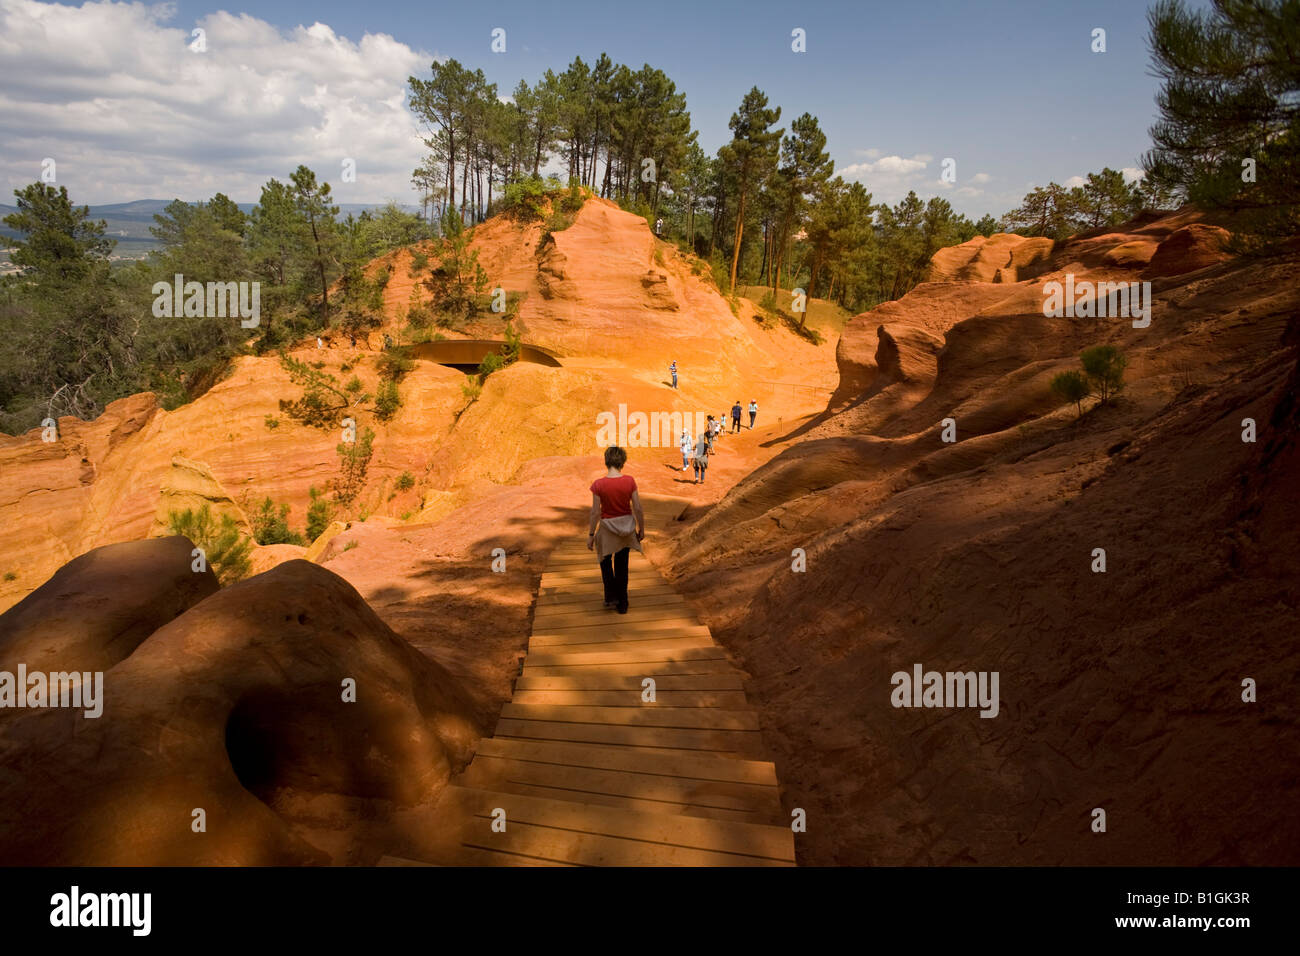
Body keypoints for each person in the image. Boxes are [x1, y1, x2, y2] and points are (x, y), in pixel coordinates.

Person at [588, 446, 645, 614]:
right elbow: (638, 507)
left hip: (607, 529)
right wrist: (641, 528)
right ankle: (623, 602)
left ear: (606, 462)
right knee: (622, 565)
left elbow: (595, 512)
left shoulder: (598, 484)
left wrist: (591, 535)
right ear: (623, 462)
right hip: (626, 528)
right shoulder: (630, 481)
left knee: (605, 562)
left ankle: (610, 596)